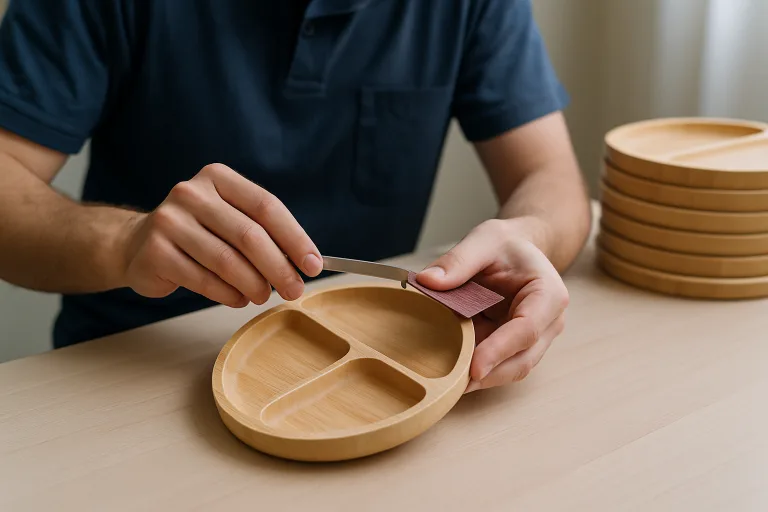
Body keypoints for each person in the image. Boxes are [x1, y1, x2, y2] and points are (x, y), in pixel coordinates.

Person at [0, 0, 591, 392]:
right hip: (127, 372)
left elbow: (552, 180)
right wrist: (126, 242)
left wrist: (529, 235)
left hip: (369, 374)